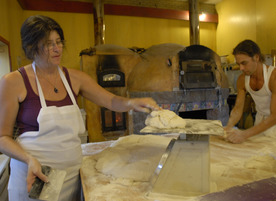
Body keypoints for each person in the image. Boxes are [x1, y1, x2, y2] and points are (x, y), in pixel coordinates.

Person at [0, 15, 160, 200]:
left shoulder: (75, 78)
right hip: (34, 178)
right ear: (31, 47)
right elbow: (2, 138)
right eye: (48, 44)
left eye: (59, 42)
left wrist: (132, 103)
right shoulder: (13, 82)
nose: (56, 48)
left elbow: (110, 101)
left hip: (70, 178)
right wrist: (29, 160)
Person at [224, 39, 276, 144]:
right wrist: (228, 127)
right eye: (239, 64)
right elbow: (238, 108)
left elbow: (275, 116)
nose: (241, 68)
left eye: (244, 63)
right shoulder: (242, 80)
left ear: (256, 57)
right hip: (261, 122)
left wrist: (245, 134)